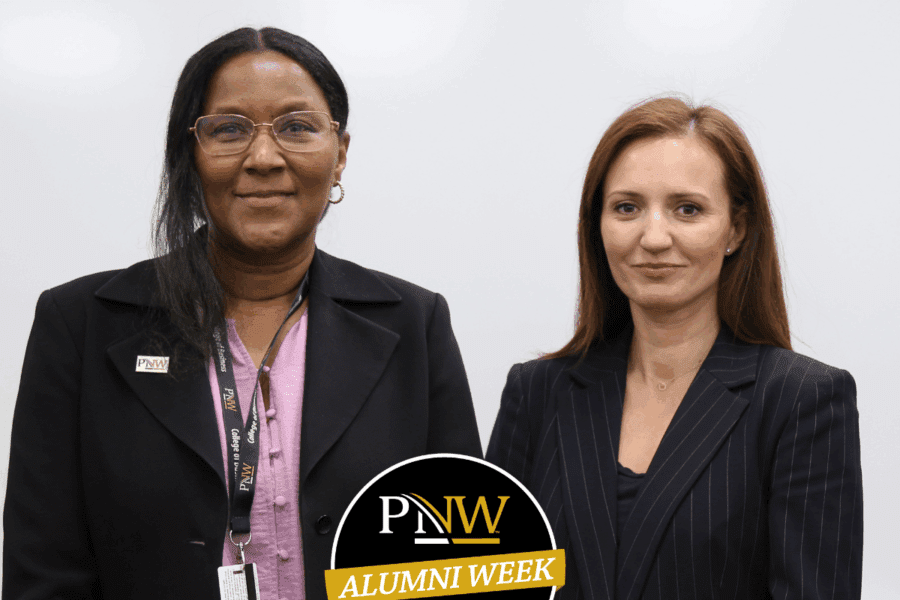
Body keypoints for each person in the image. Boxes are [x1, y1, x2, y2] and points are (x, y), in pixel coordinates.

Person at [3, 27, 481, 600]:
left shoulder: (413, 324)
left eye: (297, 128)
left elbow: (460, 565)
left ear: (340, 155)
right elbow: (44, 572)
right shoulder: (79, 325)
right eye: (228, 130)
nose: (263, 158)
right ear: (190, 154)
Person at [486, 97, 862, 599]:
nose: (654, 236)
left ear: (737, 229)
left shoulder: (803, 401)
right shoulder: (535, 393)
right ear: (597, 226)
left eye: (688, 209)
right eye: (627, 208)